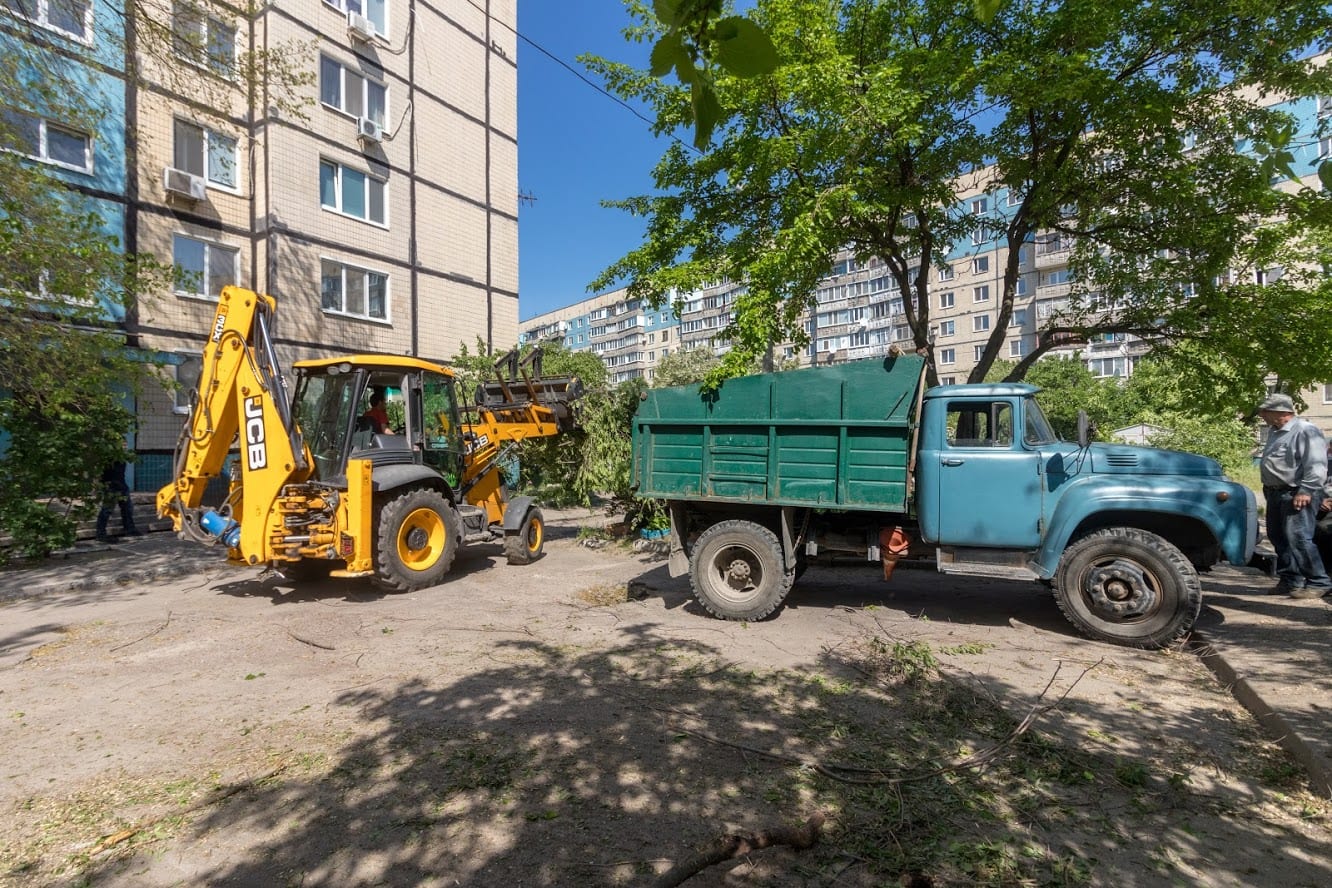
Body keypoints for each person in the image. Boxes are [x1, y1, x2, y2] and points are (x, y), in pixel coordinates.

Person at [1257, 393, 1330, 599]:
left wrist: (1306, 490)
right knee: (1278, 537)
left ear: (1282, 412)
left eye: (1266, 411)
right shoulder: (1274, 431)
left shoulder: (1306, 431)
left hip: (1296, 492)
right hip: (1275, 493)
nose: (1262, 414)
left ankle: (1318, 581)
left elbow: (1316, 465)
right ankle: (1291, 580)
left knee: (1299, 538)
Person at [96, 461, 141, 543]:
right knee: (107, 510)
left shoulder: (121, 458)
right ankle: (100, 534)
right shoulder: (109, 457)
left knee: (127, 508)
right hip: (111, 486)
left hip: (121, 485)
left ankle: (129, 529)